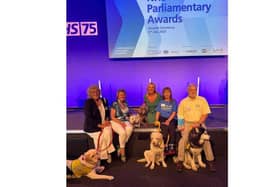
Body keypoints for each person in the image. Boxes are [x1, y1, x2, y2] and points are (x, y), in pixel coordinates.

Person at [176, 84, 216, 172]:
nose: (193, 91)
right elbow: (180, 115)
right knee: (184, 140)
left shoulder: (202, 100)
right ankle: (180, 160)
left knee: (205, 140)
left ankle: (210, 161)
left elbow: (205, 114)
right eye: (191, 90)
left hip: (199, 122)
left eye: (194, 89)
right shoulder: (183, 102)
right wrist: (181, 126)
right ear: (188, 91)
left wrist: (198, 123)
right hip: (187, 123)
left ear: (196, 90)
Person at [83, 85, 115, 164]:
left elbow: (107, 112)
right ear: (90, 94)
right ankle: (103, 156)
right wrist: (99, 125)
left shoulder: (104, 100)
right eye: (93, 92)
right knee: (100, 138)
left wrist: (107, 120)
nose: (95, 93)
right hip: (92, 126)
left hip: (104, 123)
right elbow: (89, 117)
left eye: (97, 91)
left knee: (108, 132)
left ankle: (107, 152)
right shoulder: (88, 102)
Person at [110, 89, 133, 162]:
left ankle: (120, 146)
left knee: (130, 128)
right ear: (117, 96)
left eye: (123, 94)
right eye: (121, 95)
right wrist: (120, 123)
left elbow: (128, 115)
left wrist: (133, 119)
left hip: (125, 121)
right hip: (115, 121)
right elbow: (112, 117)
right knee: (123, 133)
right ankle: (123, 153)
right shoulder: (114, 103)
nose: (122, 96)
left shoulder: (126, 103)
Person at [155, 87, 177, 155]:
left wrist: (168, 120)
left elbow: (174, 112)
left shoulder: (173, 102)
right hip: (162, 118)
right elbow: (158, 112)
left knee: (172, 130)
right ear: (163, 94)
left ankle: (171, 147)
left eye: (168, 92)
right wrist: (156, 120)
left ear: (170, 93)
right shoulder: (161, 102)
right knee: (164, 131)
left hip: (171, 119)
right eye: (165, 92)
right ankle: (164, 147)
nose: (167, 94)